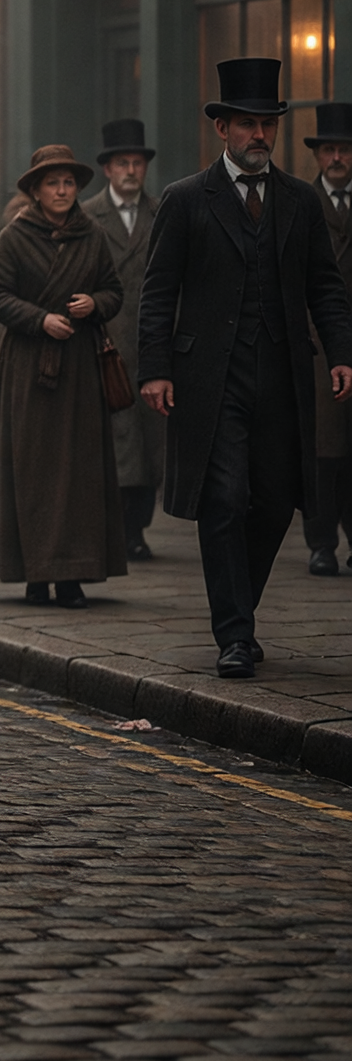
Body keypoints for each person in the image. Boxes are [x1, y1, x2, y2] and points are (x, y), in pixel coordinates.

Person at [139, 58, 352, 678]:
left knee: (277, 502)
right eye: (248, 125)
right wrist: (155, 368)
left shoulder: (300, 201)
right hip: (211, 379)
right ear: (223, 130)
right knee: (225, 499)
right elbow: (158, 291)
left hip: (283, 375)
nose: (259, 136)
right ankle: (235, 633)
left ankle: (239, 612)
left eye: (268, 125)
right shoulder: (186, 200)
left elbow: (326, 287)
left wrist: (341, 353)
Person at [0, 144, 127, 608]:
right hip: (28, 370)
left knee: (77, 473)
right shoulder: (15, 237)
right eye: (53, 183)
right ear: (35, 190)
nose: (62, 190)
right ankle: (34, 573)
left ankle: (72, 575)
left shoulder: (92, 235)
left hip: (77, 369)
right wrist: (40, 320)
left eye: (69, 182)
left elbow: (114, 291)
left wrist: (95, 304)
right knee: (31, 470)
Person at [84, 118, 163, 561]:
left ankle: (138, 529)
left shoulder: (162, 213)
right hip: (105, 345)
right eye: (122, 164)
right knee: (114, 443)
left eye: (137, 163)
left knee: (152, 444)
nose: (131, 171)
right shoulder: (88, 215)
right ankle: (118, 530)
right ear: (108, 171)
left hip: (151, 343)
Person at [303, 103, 352, 575]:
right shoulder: (301, 203)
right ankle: (321, 544)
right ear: (318, 156)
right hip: (317, 343)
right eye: (329, 150)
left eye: (344, 150)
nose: (337, 158)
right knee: (323, 449)